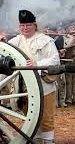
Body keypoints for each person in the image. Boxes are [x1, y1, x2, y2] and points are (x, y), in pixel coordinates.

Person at [9, 10, 60, 143]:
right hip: (23, 86)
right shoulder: (14, 42)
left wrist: (38, 64)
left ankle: (48, 141)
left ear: (35, 26)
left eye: (28, 25)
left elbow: (55, 61)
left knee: (46, 116)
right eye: (23, 26)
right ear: (19, 27)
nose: (25, 28)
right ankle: (36, 139)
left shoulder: (46, 41)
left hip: (44, 85)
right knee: (29, 115)